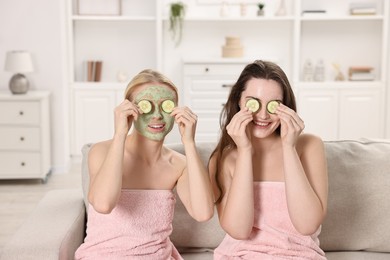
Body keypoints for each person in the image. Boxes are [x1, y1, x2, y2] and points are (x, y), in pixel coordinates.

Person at [75, 69, 214, 260]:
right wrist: (120, 135)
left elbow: (203, 213)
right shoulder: (101, 151)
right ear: (130, 109)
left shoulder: (179, 164)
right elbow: (103, 204)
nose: (156, 115)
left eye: (165, 107)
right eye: (146, 106)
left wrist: (189, 143)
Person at [209, 60, 328, 259]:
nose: (263, 114)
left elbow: (307, 225)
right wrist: (244, 150)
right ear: (238, 101)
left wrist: (288, 147)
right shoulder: (223, 158)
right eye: (253, 102)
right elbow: (239, 231)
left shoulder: (310, 146)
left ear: (285, 107)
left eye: (274, 105)